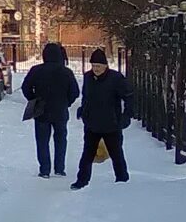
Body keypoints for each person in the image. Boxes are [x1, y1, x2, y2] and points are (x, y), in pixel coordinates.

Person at [72, 48, 133, 188]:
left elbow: (129, 96)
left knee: (116, 154)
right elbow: (86, 96)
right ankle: (81, 181)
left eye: (98, 66)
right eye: (93, 66)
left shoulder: (116, 79)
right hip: (92, 123)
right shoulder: (88, 77)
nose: (96, 69)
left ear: (105, 66)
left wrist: (126, 116)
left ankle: (122, 180)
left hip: (111, 124)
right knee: (87, 155)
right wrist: (83, 110)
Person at [19, 42, 78, 179]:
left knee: (42, 141)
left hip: (41, 110)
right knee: (61, 139)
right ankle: (59, 168)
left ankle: (44, 170)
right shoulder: (66, 72)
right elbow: (74, 92)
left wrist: (34, 99)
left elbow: (25, 87)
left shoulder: (36, 70)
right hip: (60, 111)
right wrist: (66, 103)